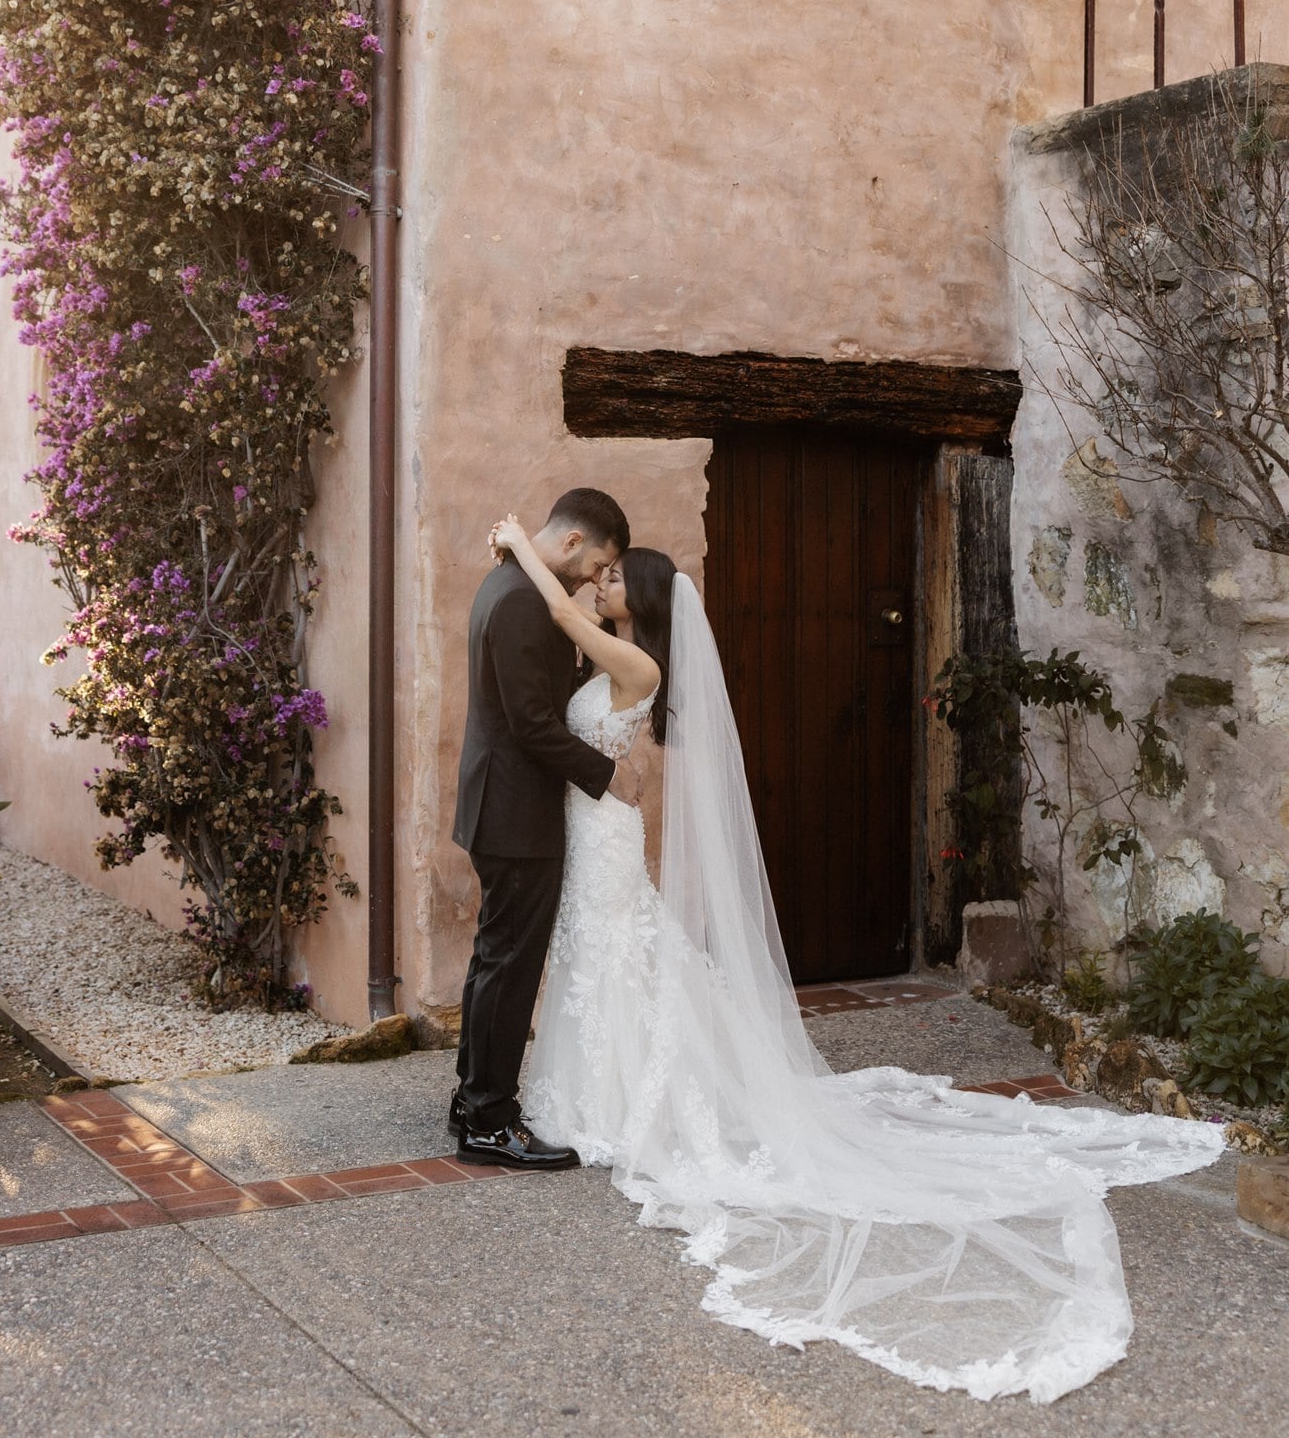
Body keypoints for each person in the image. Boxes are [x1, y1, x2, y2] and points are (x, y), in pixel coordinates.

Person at [488, 513, 1227, 1406]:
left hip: (602, 836)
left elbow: (566, 622)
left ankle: (625, 1099)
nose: (594, 588)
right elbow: (566, 645)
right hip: (590, 827)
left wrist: (520, 542)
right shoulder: (614, 654)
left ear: (638, 601)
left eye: (609, 581)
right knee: (604, 961)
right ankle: (594, 1088)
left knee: (618, 957)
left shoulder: (635, 663)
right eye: (595, 578)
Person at [451, 486, 637, 1171]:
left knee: (493, 957)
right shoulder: (526, 601)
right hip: (516, 807)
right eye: (598, 563)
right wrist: (605, 773)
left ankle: (473, 1099)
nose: (596, 578)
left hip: (497, 801)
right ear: (569, 543)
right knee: (510, 962)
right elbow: (533, 724)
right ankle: (490, 1122)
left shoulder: (508, 581)